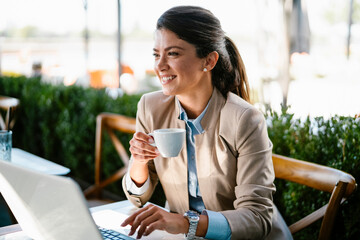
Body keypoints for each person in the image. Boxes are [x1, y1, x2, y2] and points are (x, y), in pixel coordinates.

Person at [121, 6, 292, 240]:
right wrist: (139, 162)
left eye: (173, 54)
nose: (159, 65)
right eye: (156, 54)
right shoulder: (150, 107)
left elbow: (256, 217)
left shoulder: (245, 119)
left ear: (209, 61)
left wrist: (184, 223)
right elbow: (136, 198)